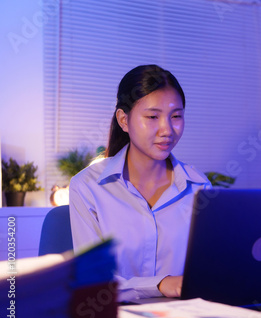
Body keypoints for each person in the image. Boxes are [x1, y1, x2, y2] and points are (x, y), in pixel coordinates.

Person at [69, 65, 211, 301]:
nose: (167, 129)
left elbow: (210, 270)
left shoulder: (199, 187)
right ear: (124, 120)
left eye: (176, 116)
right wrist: (160, 285)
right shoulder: (87, 187)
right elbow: (93, 281)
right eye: (153, 117)